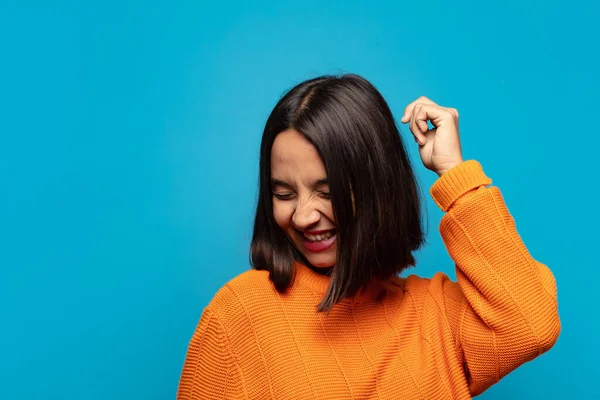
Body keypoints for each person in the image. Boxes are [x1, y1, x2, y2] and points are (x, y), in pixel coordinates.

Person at [176, 74, 561, 399]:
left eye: (328, 192)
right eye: (284, 194)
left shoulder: (436, 319)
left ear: (378, 188)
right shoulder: (240, 315)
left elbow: (530, 324)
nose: (304, 215)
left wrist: (454, 175)